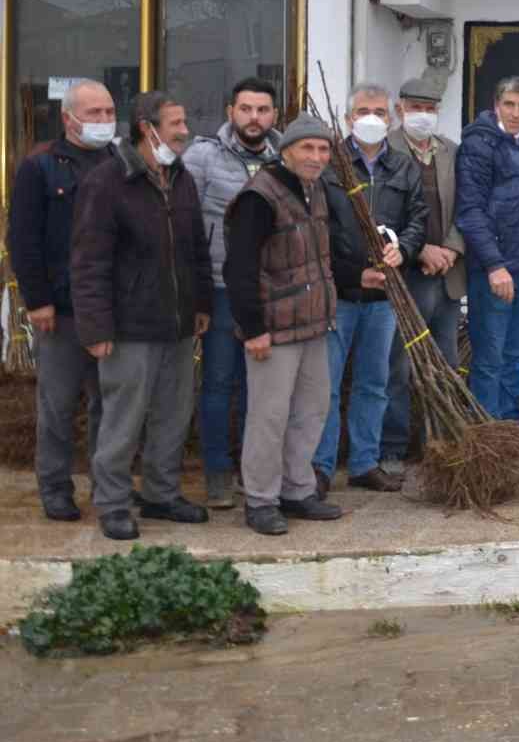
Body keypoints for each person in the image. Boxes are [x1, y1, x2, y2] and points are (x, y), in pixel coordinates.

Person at [71, 91, 212, 541]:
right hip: (128, 327)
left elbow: (196, 251)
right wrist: (95, 326)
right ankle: (112, 503)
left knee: (173, 414)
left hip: (177, 324)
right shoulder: (108, 181)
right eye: (176, 123)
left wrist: (201, 304)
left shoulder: (182, 177)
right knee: (123, 419)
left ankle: (161, 493)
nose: (184, 130)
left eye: (184, 121)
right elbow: (88, 261)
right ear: (147, 128)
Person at [224, 114, 354, 535]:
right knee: (269, 415)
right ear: (286, 152)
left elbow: (318, 258)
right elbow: (239, 267)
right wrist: (253, 328)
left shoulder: (315, 190)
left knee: (311, 409)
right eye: (307, 148)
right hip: (274, 329)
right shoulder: (259, 196)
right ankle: (261, 499)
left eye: (323, 149)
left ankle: (297, 490)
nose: (317, 157)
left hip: (313, 323)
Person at [8, 79, 116, 521]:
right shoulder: (40, 167)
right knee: (58, 404)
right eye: (94, 114)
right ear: (69, 118)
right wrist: (38, 301)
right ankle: (55, 488)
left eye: (110, 112)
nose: (105, 121)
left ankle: (107, 487)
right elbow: (23, 239)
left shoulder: (121, 161)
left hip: (112, 309)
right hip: (62, 310)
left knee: (109, 405)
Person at [311, 83, 425, 496]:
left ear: (391, 118)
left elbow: (418, 218)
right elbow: (317, 232)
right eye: (363, 111)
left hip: (384, 298)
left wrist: (404, 251)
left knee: (374, 382)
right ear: (347, 118)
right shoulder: (329, 166)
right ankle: (320, 467)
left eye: (379, 111)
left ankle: (364, 462)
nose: (372, 118)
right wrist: (352, 273)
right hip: (340, 295)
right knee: (326, 384)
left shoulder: (403, 167)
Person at [183, 76, 281, 509]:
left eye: (262, 110)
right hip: (222, 289)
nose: (254, 118)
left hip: (271, 290)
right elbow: (185, 223)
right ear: (230, 112)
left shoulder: (285, 158)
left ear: (274, 115)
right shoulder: (204, 156)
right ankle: (217, 471)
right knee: (220, 382)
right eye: (246, 109)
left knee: (258, 387)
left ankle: (252, 469)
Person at [456, 76, 519, 422]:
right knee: (490, 357)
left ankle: (509, 429)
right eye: (509, 105)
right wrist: (494, 265)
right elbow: (470, 211)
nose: (516, 113)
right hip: (495, 272)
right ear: (496, 105)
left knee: (518, 355)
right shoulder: (479, 145)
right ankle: (487, 432)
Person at [381, 76, 466, 474]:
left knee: (445, 361)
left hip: (446, 275)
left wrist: (450, 247)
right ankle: (394, 447)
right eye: (416, 108)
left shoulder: (450, 151)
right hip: (406, 275)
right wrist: (420, 251)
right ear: (400, 110)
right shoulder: (386, 150)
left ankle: (443, 439)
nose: (423, 116)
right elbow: (381, 216)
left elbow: (466, 207)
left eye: (430, 109)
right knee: (397, 366)